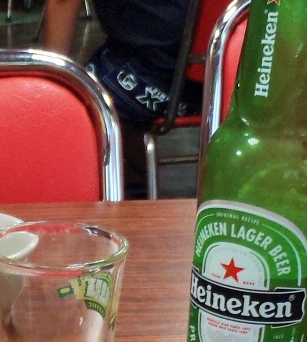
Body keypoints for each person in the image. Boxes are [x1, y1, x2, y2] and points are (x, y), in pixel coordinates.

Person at [42, 0, 195, 196]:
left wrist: (49, 84)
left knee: (74, 103)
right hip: (220, 77)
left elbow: (62, 3)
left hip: (153, 78)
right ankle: (135, 176)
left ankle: (128, 182)